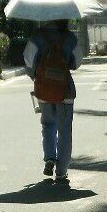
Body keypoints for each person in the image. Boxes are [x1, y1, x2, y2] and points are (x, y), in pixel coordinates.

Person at [23, 18, 82, 183]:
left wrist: (35, 75)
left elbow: (28, 60)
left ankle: (50, 158)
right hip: (65, 89)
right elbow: (77, 62)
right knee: (65, 130)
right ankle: (61, 171)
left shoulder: (37, 36)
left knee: (48, 124)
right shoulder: (70, 37)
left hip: (44, 87)